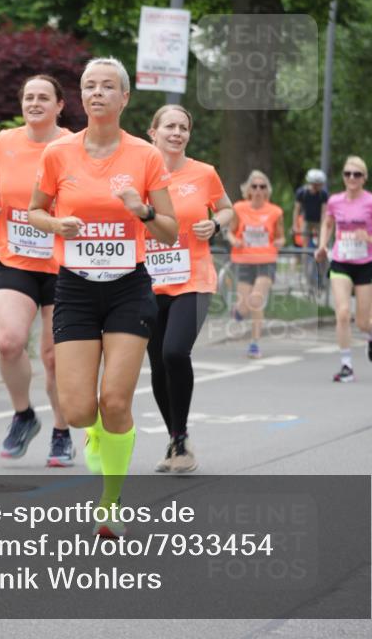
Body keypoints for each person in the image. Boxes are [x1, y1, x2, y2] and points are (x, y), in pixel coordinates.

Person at [28, 57, 178, 536]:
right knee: (77, 410)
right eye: (90, 85)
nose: (97, 93)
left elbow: (170, 231)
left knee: (114, 400)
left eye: (108, 86)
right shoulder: (59, 153)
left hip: (127, 287)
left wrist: (143, 211)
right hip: (74, 287)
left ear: (124, 97)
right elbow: (34, 211)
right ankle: (94, 434)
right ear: (81, 96)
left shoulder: (145, 156)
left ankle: (111, 503)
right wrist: (57, 224)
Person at [0, 75, 74, 465]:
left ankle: (61, 432)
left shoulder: (73, 146)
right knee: (8, 343)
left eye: (43, 97)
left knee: (54, 357)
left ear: (59, 105)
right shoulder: (4, 141)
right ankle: (23, 414)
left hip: (63, 264)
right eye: (28, 97)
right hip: (14, 257)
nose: (34, 103)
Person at [145, 105, 233, 474]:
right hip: (148, 281)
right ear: (153, 132)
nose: (177, 133)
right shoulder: (138, 173)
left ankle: (180, 438)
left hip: (194, 278)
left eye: (183, 128)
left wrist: (215, 224)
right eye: (170, 126)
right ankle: (175, 438)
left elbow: (227, 209)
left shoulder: (203, 173)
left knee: (175, 352)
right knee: (157, 364)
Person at [315, 157, 372, 381]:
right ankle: (346, 366)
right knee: (342, 313)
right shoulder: (335, 201)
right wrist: (322, 245)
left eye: (357, 174)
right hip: (341, 262)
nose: (352, 178)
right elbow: (328, 223)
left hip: (365, 264)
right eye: (347, 173)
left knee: (362, 322)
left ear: (364, 178)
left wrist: (371, 238)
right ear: (343, 177)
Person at [227, 170, 285, 359]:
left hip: (266, 261)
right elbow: (230, 231)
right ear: (248, 189)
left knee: (255, 301)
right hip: (243, 261)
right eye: (255, 186)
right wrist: (234, 241)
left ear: (267, 190)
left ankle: (254, 343)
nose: (258, 190)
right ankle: (238, 311)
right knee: (244, 307)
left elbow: (281, 236)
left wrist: (280, 242)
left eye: (262, 186)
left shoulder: (275, 212)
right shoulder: (239, 208)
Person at [292, 169, 328, 249]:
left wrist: (323, 226)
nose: (319, 186)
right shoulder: (302, 192)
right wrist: (295, 225)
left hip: (319, 221)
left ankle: (319, 255)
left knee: (321, 241)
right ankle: (304, 256)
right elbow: (296, 210)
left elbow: (324, 212)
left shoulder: (323, 194)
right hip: (306, 220)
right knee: (304, 241)